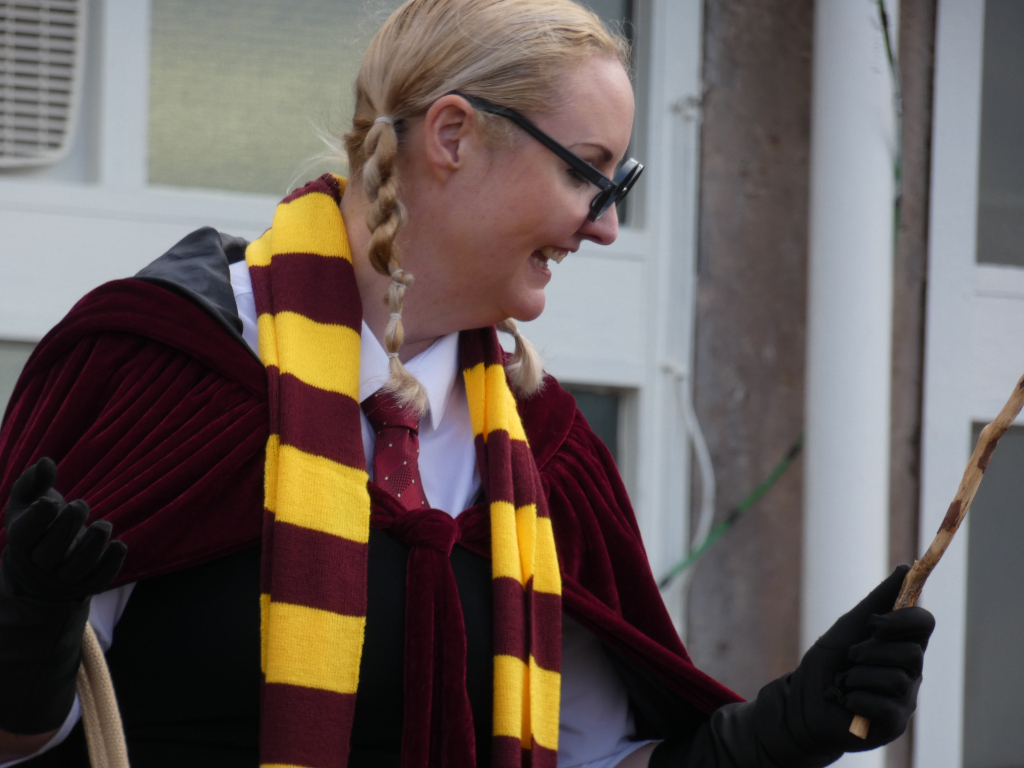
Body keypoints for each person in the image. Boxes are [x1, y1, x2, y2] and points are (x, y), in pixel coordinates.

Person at [0, 1, 934, 767]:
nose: (605, 229)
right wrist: (25, 634)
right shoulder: (158, 366)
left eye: (618, 185)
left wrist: (782, 730)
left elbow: (600, 761)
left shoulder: (546, 457)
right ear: (452, 134)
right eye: (590, 176)